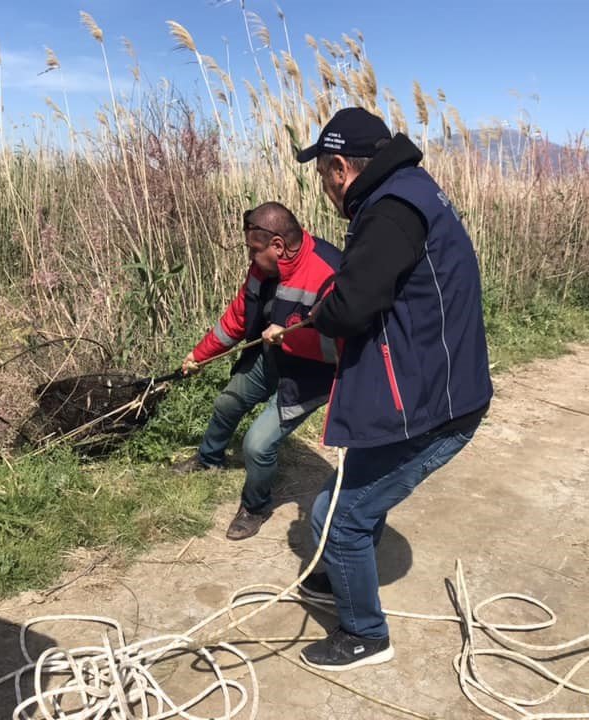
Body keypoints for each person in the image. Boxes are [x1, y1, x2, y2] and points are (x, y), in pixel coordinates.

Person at [284, 107, 493, 671]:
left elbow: (351, 306)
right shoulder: (408, 191)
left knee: (338, 514)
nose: (324, 187)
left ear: (339, 169)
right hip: (432, 388)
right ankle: (342, 579)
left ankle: (364, 636)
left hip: (436, 406)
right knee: (357, 485)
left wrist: (311, 318)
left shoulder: (391, 212)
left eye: (324, 173)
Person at [172, 202, 342, 541]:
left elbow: (341, 348)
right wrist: (199, 356)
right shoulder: (263, 269)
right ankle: (209, 459)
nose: (250, 258)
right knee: (227, 402)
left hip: (309, 375)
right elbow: (236, 319)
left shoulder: (330, 272)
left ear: (277, 246)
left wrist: (291, 336)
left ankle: (256, 506)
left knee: (256, 445)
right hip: (272, 355)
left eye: (254, 250)